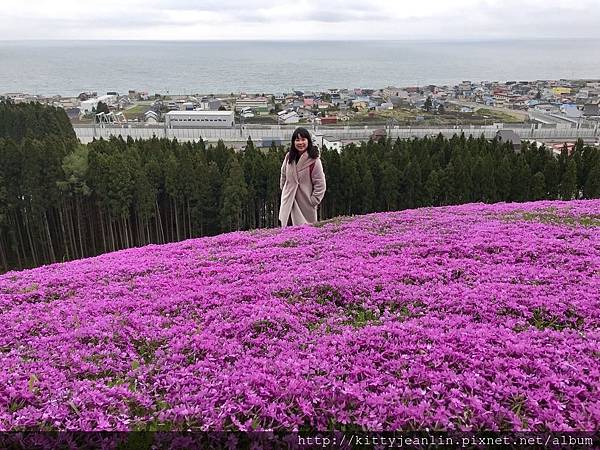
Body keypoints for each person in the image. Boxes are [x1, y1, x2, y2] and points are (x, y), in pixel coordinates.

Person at [279, 127, 326, 227]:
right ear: (293, 142)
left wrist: (313, 201)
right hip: (289, 202)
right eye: (297, 140)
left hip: (305, 204)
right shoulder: (289, 157)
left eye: (303, 139)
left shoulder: (314, 160)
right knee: (287, 232)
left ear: (308, 141)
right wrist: (284, 191)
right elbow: (283, 174)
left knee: (305, 234)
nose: (300, 143)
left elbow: (320, 184)